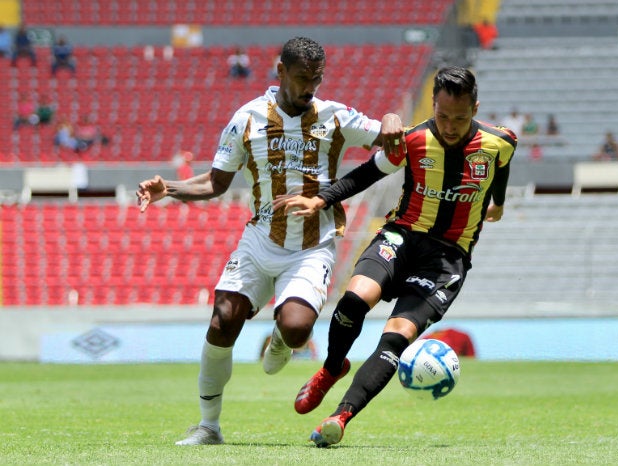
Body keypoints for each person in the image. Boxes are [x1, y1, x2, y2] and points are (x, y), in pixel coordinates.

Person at [135, 36, 404, 446]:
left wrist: (390, 117)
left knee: (297, 330)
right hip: (260, 240)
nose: (308, 87)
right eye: (300, 78)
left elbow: (387, 138)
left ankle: (282, 335)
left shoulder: (335, 117)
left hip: (312, 247)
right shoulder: (247, 118)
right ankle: (209, 425)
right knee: (223, 319)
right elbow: (215, 182)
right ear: (280, 72)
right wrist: (169, 188)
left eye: (315, 78)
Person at [275, 66, 516, 447]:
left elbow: (499, 177)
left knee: (395, 338)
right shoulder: (414, 139)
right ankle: (332, 368)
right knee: (354, 300)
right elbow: (367, 174)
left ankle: (341, 416)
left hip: (447, 259)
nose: (450, 127)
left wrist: (497, 205)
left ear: (476, 108)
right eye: (442, 116)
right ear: (432, 105)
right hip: (401, 235)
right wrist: (321, 199)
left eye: (461, 118)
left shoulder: (500, 142)